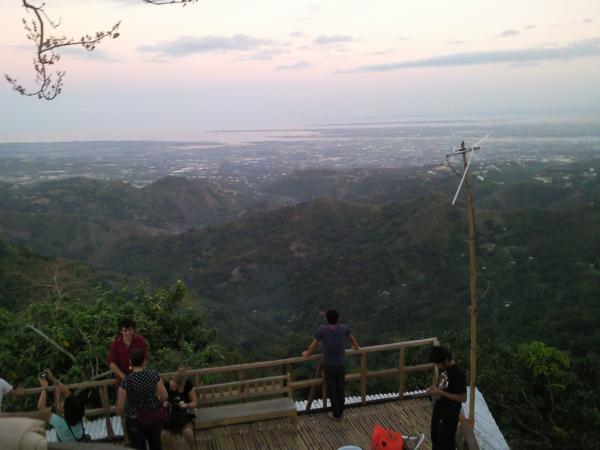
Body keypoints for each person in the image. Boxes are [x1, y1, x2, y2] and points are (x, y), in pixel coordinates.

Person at [302, 309, 360, 420]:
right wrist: (356, 347)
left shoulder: (322, 330)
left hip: (329, 365)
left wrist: (307, 354)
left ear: (326, 319)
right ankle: (340, 412)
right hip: (341, 364)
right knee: (340, 388)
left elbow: (314, 344)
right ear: (338, 319)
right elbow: (352, 338)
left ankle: (336, 414)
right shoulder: (343, 328)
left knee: (332, 389)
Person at [117, 347, 168, 450]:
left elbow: (121, 406)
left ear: (130, 361)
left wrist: (123, 415)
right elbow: (165, 395)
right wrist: (158, 403)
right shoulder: (153, 374)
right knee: (156, 446)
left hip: (134, 419)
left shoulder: (126, 381)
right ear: (144, 360)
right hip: (153, 415)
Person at [108, 317, 149, 443]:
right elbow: (112, 364)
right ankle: (127, 438)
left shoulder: (140, 341)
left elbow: (146, 359)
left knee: (142, 410)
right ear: (121, 331)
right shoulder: (116, 344)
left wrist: (138, 374)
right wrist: (125, 377)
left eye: (130, 330)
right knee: (124, 413)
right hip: (123, 384)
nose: (127, 333)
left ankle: (143, 436)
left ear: (133, 330)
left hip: (139, 381)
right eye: (124, 331)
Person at [426, 346, 467, 450]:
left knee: (445, 445)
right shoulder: (444, 370)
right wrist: (435, 389)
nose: (437, 366)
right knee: (435, 441)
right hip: (438, 412)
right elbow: (443, 387)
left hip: (449, 417)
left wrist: (441, 393)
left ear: (446, 360)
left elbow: (463, 398)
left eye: (438, 363)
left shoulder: (459, 374)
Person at [36, 369, 87, 442]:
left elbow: (41, 407)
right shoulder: (78, 414)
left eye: (64, 403)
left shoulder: (59, 422)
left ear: (66, 411)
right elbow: (67, 392)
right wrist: (52, 378)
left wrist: (44, 388)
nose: (63, 402)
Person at [161, 368, 197, 450]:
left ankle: (193, 448)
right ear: (173, 379)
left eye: (179, 387)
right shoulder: (166, 386)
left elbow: (194, 403)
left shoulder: (188, 386)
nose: (176, 388)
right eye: (175, 385)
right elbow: (160, 401)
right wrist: (164, 403)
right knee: (164, 433)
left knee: (187, 432)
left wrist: (186, 405)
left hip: (183, 416)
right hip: (169, 417)